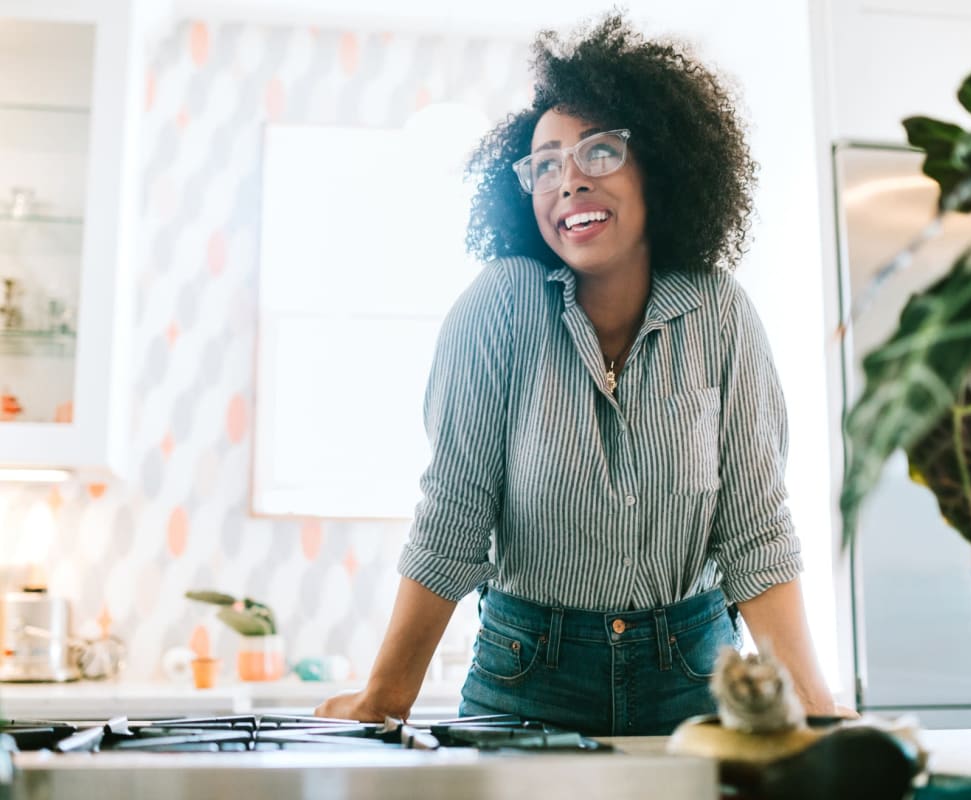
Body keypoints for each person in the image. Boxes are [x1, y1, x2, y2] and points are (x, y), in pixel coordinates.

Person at [316, 14, 837, 735]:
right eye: (546, 164)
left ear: (657, 163)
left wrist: (817, 714)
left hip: (698, 681)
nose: (570, 182)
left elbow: (756, 535)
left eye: (599, 151)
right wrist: (385, 698)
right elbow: (453, 516)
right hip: (528, 677)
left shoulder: (720, 313)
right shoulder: (501, 306)